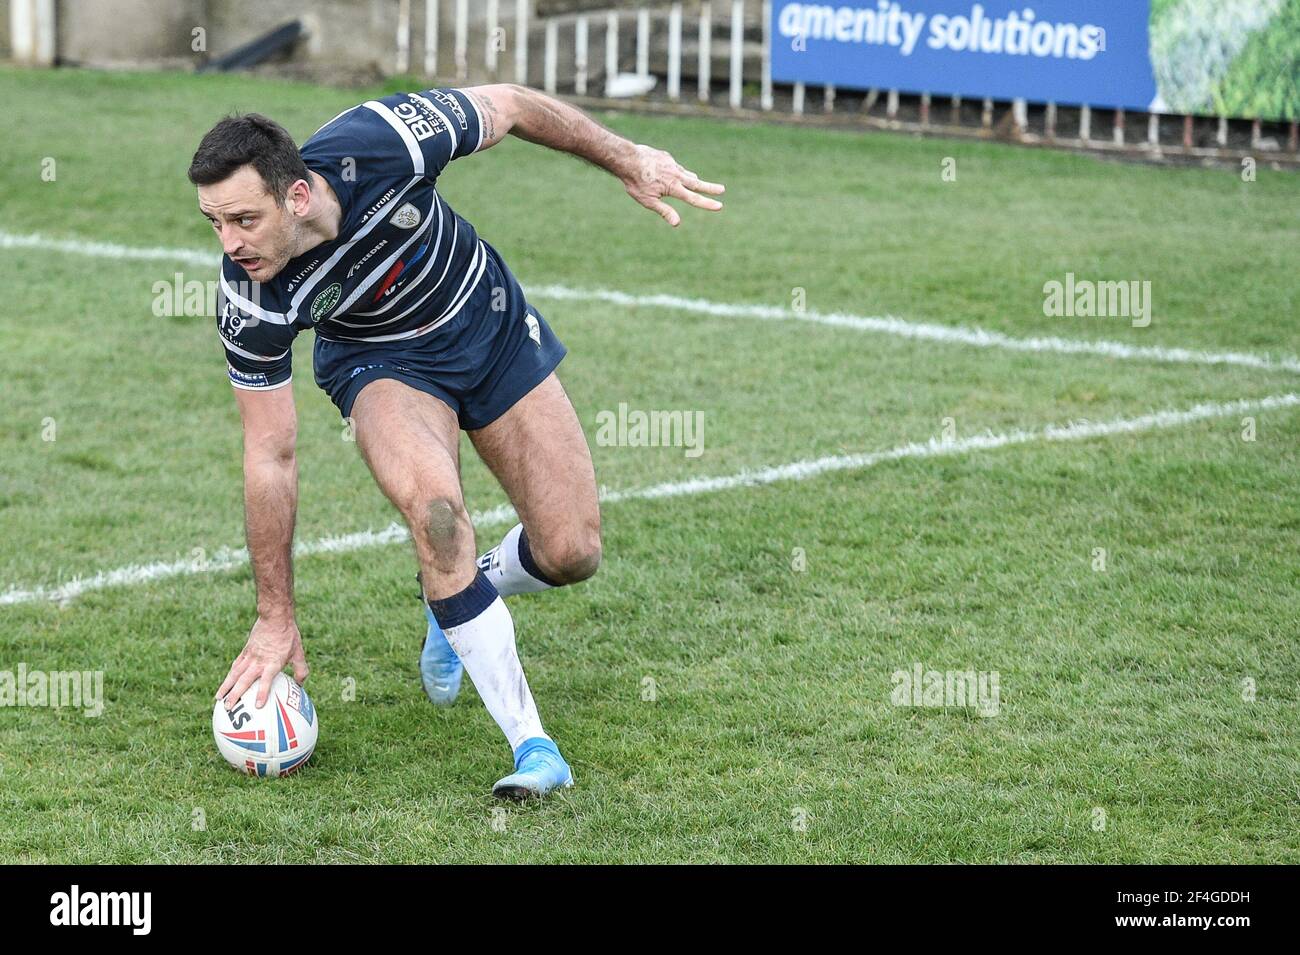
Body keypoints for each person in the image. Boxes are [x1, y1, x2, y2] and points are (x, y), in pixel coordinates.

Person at [191, 83, 725, 797]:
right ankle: (534, 748)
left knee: (572, 551)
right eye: (214, 223)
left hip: (489, 324)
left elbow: (510, 104)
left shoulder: (382, 140)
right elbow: (270, 453)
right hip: (383, 367)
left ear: (295, 196)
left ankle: (456, 603)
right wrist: (274, 615)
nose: (229, 243)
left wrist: (626, 157)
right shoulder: (250, 295)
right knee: (438, 518)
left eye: (243, 219)